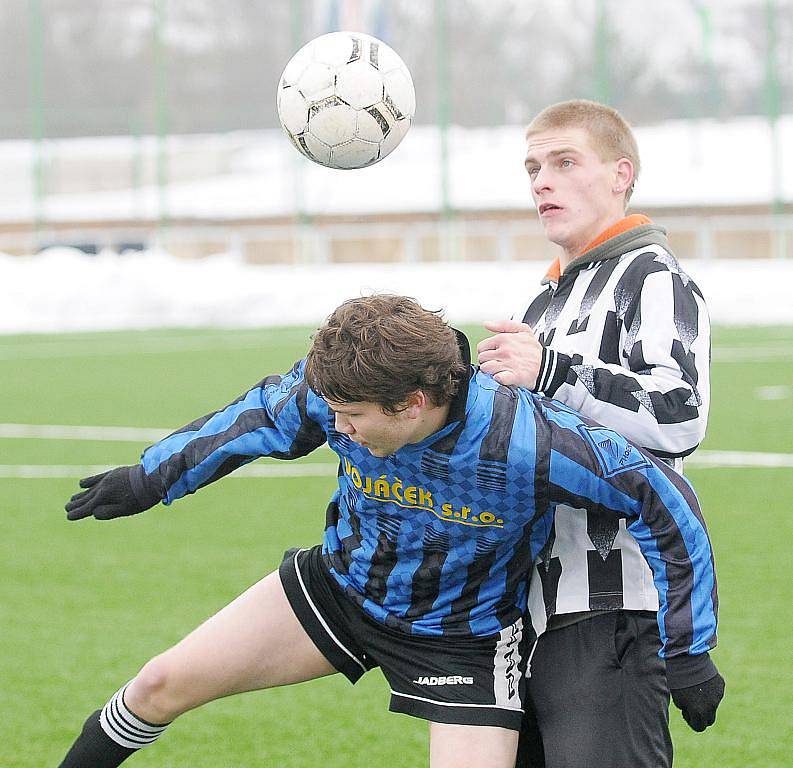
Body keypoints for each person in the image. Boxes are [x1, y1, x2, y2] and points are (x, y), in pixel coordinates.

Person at [58, 294, 721, 768]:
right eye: (331, 414)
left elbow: (663, 502)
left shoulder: (526, 438)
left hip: (463, 640)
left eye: (350, 417)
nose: (335, 429)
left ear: (412, 405)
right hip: (341, 591)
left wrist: (688, 651)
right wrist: (149, 480)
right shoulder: (334, 391)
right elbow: (252, 420)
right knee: (157, 686)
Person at [477, 100, 720, 767]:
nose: (540, 182)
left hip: (613, 613)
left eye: (562, 162)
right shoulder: (539, 299)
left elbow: (677, 418)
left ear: (620, 174)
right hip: (523, 620)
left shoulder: (653, 279)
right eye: (531, 167)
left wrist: (549, 370)